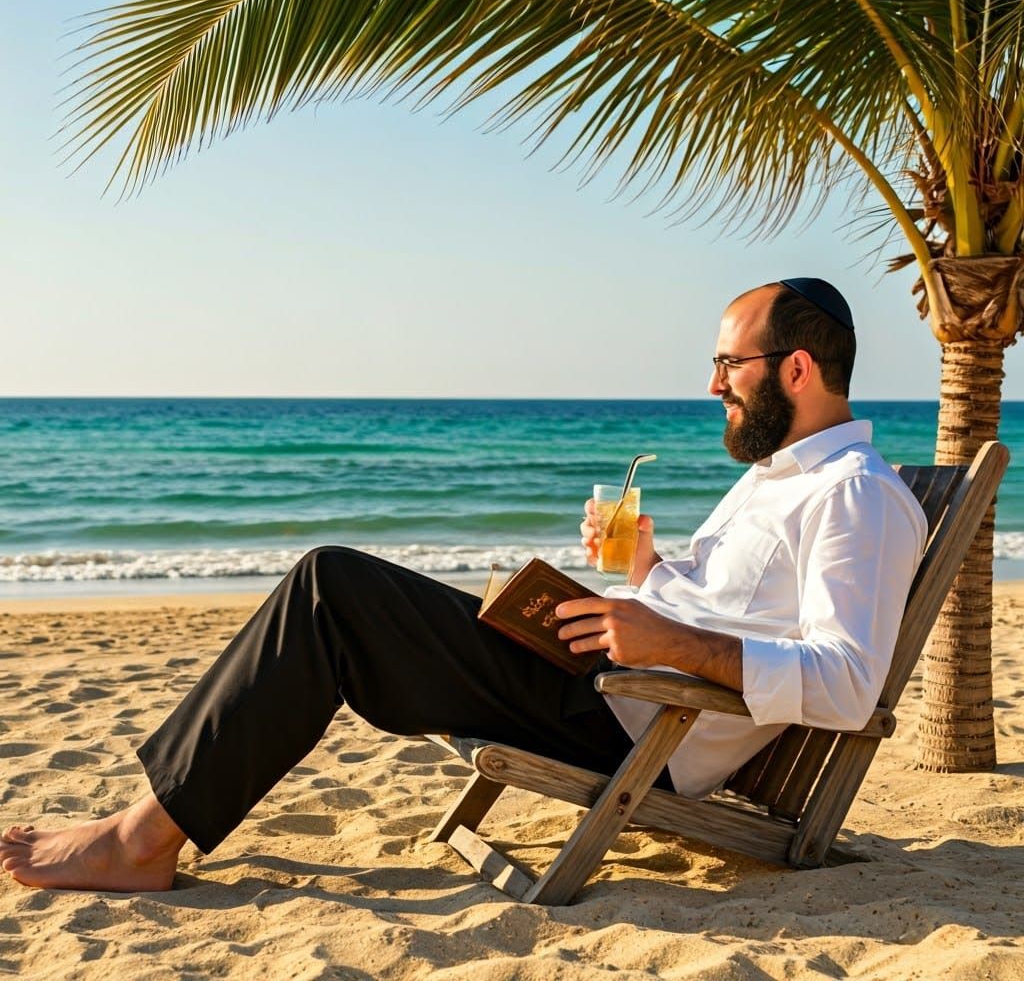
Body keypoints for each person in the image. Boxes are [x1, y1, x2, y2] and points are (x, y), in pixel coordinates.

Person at [0, 279, 927, 894]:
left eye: (730, 363)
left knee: (333, 591)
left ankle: (144, 838)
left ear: (796, 369)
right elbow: (722, 604)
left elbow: (847, 683)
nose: (713, 381)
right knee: (352, 602)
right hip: (613, 682)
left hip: (638, 719)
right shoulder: (780, 479)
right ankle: (153, 822)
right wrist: (645, 569)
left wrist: (667, 645)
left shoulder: (858, 498)